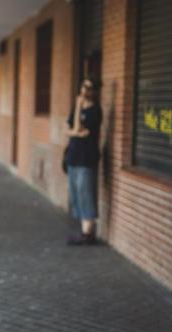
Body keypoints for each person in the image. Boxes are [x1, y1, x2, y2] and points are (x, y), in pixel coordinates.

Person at [65, 78, 102, 245]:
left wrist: (79, 106)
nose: (85, 90)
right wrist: (76, 133)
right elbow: (69, 130)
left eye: (89, 87)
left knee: (86, 193)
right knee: (76, 194)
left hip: (87, 158)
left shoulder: (96, 111)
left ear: (94, 91)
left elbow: (79, 128)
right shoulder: (76, 108)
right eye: (83, 86)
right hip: (73, 157)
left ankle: (88, 233)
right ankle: (83, 230)